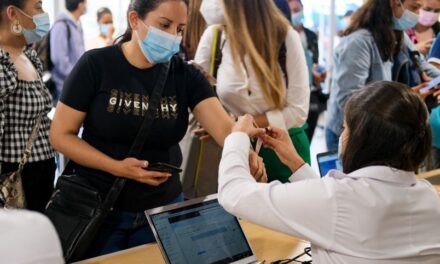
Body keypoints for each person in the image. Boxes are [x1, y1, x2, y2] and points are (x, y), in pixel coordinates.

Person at [49, 0, 266, 257]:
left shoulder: (185, 76)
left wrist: (246, 153)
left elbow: (224, 130)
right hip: (100, 209)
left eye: (180, 28)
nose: (173, 36)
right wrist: (116, 167)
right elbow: (60, 136)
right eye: (164, 25)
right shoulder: (96, 65)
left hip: (162, 214)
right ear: (134, 20)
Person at [218, 81, 440, 263]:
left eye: (345, 129)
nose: (342, 136)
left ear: (363, 141)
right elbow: (335, 211)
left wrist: (237, 136)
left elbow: (234, 194)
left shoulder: (339, 201)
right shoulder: (429, 198)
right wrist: (295, 162)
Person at [195, 0, 310, 183]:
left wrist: (238, 125)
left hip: (284, 149)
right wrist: (221, 122)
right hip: (235, 149)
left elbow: (298, 112)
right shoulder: (216, 34)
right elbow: (197, 90)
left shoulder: (285, 37)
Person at [326, 0, 423, 150]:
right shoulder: (360, 42)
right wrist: (402, 102)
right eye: (415, 8)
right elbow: (348, 100)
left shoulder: (395, 34)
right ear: (394, 3)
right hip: (351, 134)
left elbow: (423, 64)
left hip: (373, 132)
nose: (418, 15)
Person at [0, 0, 56, 213]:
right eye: (39, 6)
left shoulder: (28, 57)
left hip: (41, 175)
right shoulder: (2, 64)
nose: (44, 14)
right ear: (13, 14)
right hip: (15, 181)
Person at [287, 0, 326, 141]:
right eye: (291, 11)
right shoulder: (285, 36)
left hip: (313, 93)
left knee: (308, 135)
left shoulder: (311, 35)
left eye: (297, 10)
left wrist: (318, 73)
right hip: (292, 95)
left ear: (303, 8)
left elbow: (314, 61)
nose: (294, 14)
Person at [50, 0, 86, 100]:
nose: (86, 6)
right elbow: (59, 60)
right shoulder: (61, 25)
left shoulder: (76, 25)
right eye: (86, 2)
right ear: (80, 5)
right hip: (64, 87)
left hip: (75, 85)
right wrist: (76, 77)